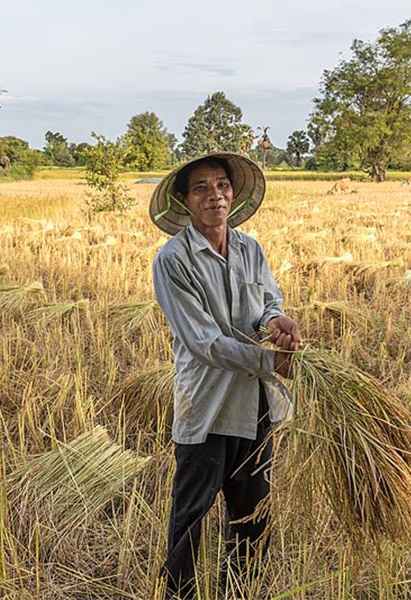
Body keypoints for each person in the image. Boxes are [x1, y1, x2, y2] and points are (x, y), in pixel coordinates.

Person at [149, 153, 301, 598]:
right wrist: (271, 362)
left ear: (233, 193)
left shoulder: (250, 249)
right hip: (208, 405)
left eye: (222, 185)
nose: (215, 195)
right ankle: (180, 593)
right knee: (192, 514)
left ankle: (241, 590)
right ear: (184, 199)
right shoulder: (173, 261)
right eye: (201, 187)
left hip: (256, 404)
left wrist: (277, 323)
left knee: (253, 513)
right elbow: (205, 343)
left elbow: (266, 304)